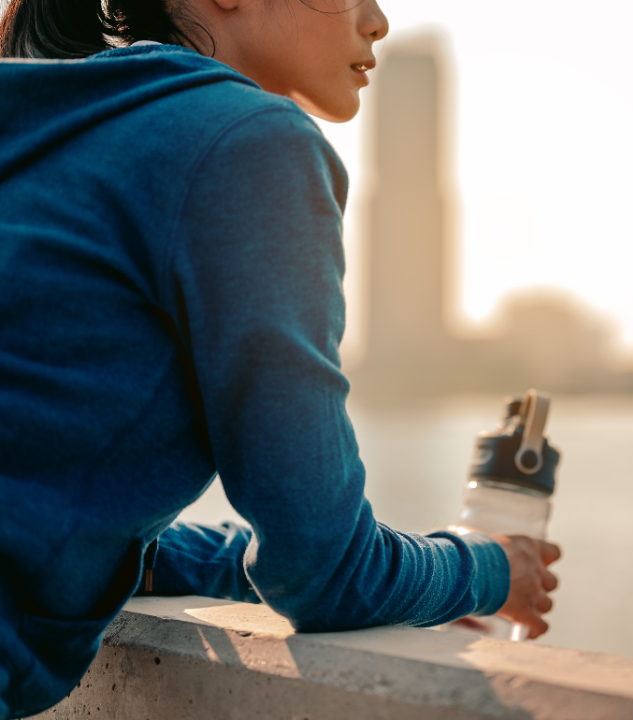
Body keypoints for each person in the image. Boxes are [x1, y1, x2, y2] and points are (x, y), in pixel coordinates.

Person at [0, 0, 561, 716]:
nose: (377, 19)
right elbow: (327, 576)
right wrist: (490, 567)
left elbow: (53, 524)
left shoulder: (50, 131)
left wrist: (239, 562)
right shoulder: (247, 139)